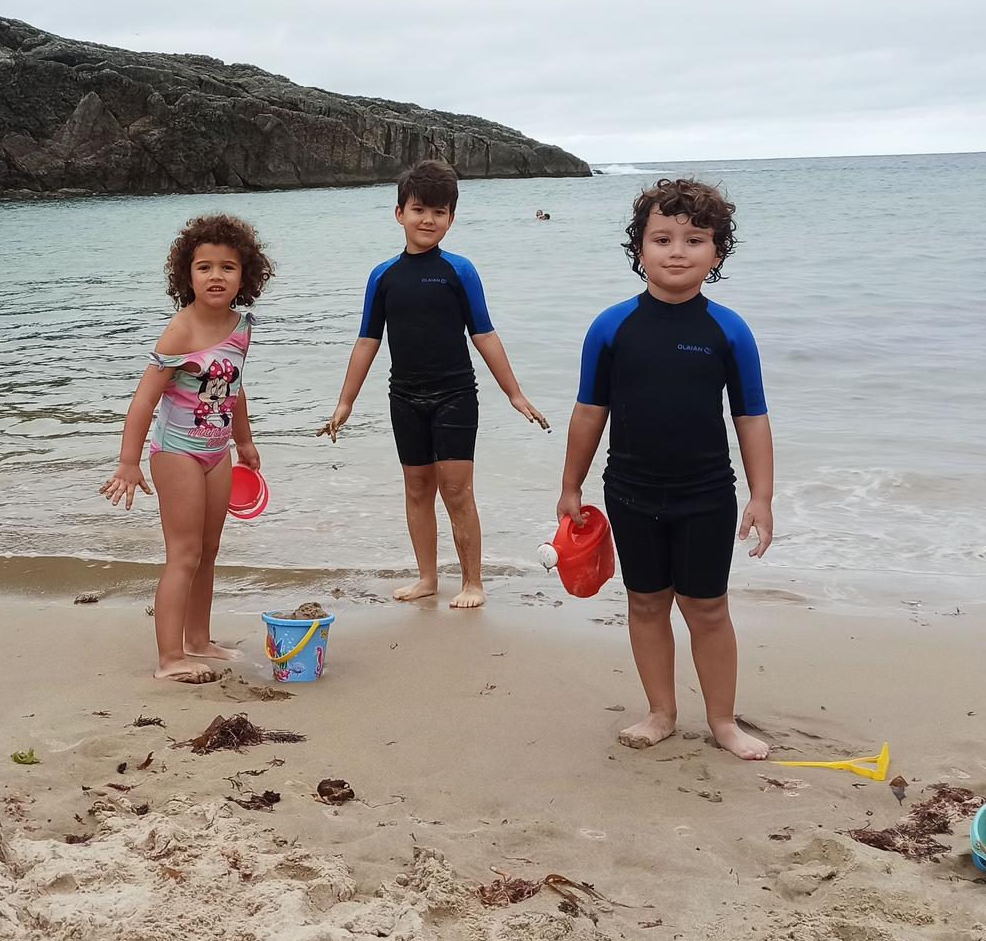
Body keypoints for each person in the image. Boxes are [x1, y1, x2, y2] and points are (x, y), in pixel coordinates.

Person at [557, 178, 775, 760]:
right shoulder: (612, 327)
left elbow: (751, 418)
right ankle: (660, 712)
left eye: (694, 239)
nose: (677, 251)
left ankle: (724, 721)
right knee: (646, 601)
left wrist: (762, 497)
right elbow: (588, 411)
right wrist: (571, 485)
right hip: (630, 490)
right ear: (640, 250)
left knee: (707, 607)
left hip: (706, 492)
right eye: (662, 238)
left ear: (717, 254)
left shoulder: (729, 331)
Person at [321, 159, 547, 608]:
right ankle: (427, 577)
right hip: (404, 395)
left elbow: (483, 333)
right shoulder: (383, 276)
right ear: (399, 213)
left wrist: (514, 393)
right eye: (420, 209)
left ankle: (473, 583)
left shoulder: (458, 271)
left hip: (455, 395)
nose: (428, 220)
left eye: (439, 212)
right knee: (417, 488)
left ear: (452, 219)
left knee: (457, 489)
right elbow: (368, 339)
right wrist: (345, 401)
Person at [101, 214, 272, 682]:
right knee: (184, 553)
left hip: (217, 452)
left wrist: (245, 439)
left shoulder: (242, 327)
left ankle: (199, 640)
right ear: (186, 275)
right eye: (204, 267)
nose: (216, 276)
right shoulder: (180, 330)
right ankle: (169, 657)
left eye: (228, 267)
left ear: (245, 275)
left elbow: (233, 386)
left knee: (210, 550)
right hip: (175, 452)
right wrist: (128, 462)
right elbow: (144, 398)